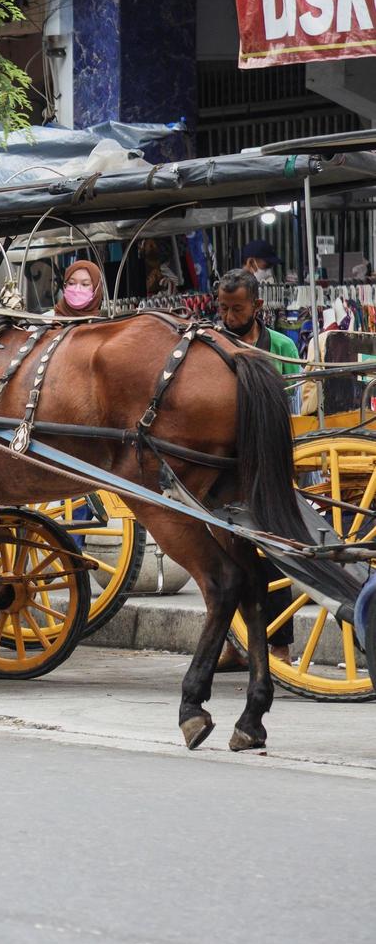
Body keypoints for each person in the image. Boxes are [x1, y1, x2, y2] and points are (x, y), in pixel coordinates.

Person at [214, 267, 299, 671]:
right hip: (227, 464)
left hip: (272, 462)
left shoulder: (280, 345)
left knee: (273, 555)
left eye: (237, 309)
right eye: (224, 308)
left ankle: (279, 645)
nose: (229, 317)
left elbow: (299, 403)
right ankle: (234, 644)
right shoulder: (212, 344)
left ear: (257, 306)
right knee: (221, 555)